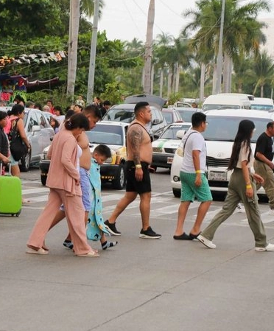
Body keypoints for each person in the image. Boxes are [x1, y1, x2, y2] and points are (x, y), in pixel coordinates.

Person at [196, 119, 274, 252]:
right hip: (243, 180)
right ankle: (261, 243)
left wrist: (253, 174)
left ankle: (206, 235)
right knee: (253, 211)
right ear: (248, 130)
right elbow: (243, 164)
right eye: (253, 129)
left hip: (235, 178)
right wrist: (249, 185)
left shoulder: (238, 142)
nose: (254, 131)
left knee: (226, 209)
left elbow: (242, 165)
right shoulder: (245, 144)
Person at [26, 113, 97, 257]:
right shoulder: (70, 138)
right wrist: (75, 175)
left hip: (55, 180)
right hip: (67, 182)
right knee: (77, 214)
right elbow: (65, 160)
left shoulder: (60, 135)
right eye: (82, 130)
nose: (81, 133)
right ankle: (82, 248)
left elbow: (51, 154)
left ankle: (35, 242)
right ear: (78, 127)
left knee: (48, 213)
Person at [104, 102, 161, 239]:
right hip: (137, 165)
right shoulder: (136, 128)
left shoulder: (140, 127)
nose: (150, 114)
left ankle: (110, 222)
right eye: (148, 111)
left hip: (138, 165)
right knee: (146, 196)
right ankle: (145, 228)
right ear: (141, 113)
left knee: (130, 195)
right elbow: (135, 149)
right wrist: (139, 166)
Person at [173, 112, 212, 240]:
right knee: (207, 199)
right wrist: (198, 174)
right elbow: (196, 154)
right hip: (193, 172)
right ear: (202, 123)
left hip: (184, 171)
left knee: (186, 200)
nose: (206, 125)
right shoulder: (198, 137)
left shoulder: (188, 134)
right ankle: (196, 229)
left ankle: (178, 230)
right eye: (205, 123)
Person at [254, 121, 274, 215]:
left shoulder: (270, 138)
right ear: (269, 128)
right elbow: (258, 154)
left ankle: (240, 200)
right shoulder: (264, 138)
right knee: (272, 185)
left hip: (264, 164)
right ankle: (273, 207)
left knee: (257, 183)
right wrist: (269, 162)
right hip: (262, 164)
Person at [8, 104, 31, 177]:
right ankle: (14, 187)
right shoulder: (19, 120)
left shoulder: (8, 119)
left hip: (6, 145)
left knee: (11, 167)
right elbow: (23, 136)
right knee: (16, 172)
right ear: (19, 113)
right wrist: (28, 144)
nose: (24, 114)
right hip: (13, 147)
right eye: (23, 112)